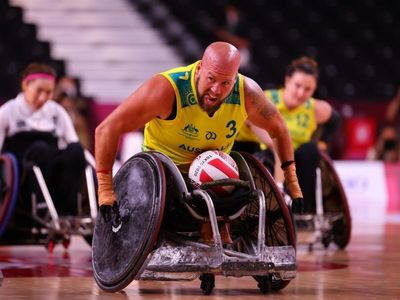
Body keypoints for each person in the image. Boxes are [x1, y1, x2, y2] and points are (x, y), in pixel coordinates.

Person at [95, 42, 304, 230]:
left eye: (225, 83)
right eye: (211, 79)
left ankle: (216, 234)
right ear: (199, 69)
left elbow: (280, 129)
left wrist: (292, 182)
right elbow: (107, 128)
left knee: (244, 191)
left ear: (236, 77)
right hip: (163, 173)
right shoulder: (166, 89)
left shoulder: (247, 92)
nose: (216, 90)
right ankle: (209, 231)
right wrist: (105, 189)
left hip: (213, 175)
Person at [235, 57, 341, 213]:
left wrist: (323, 142)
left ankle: (303, 211)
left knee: (311, 150)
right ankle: (271, 206)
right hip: (261, 150)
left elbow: (335, 120)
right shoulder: (266, 99)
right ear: (287, 81)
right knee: (271, 152)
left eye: (308, 89)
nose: (301, 93)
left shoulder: (316, 108)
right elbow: (254, 125)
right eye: (297, 85)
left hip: (293, 158)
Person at [0, 63, 86, 216]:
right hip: (23, 173)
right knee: (41, 150)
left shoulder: (56, 111)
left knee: (76, 151)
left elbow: (74, 143)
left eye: (49, 92)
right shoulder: (8, 111)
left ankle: (68, 210)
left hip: (53, 169)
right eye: (39, 91)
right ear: (25, 85)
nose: (43, 97)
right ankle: (41, 208)